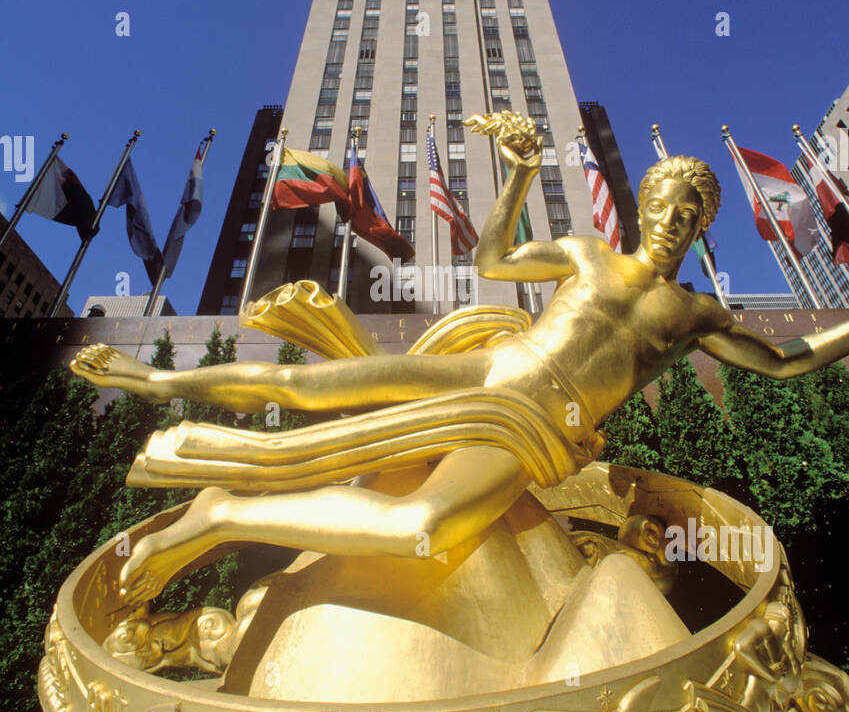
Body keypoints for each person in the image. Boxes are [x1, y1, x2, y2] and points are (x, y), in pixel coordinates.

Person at [71, 112, 849, 605]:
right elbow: (492, 259)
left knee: (424, 525)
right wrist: (516, 174)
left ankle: (225, 515)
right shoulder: (584, 252)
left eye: (691, 213)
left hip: (535, 425)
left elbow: (784, 361)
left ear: (703, 224)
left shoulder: (696, 313)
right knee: (306, 385)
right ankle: (158, 377)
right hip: (491, 366)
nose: (675, 220)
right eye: (663, 205)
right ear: (640, 207)